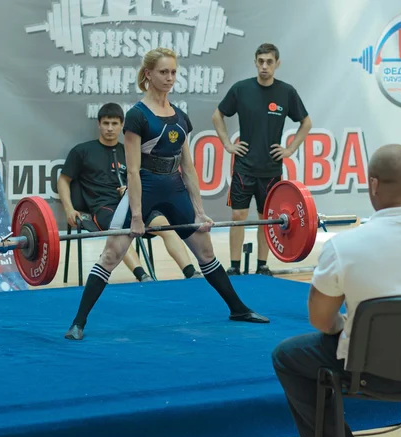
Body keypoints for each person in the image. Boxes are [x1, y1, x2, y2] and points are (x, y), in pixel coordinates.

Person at [271, 144, 401, 437]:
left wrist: (342, 325)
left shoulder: (345, 246)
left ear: (374, 185)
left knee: (286, 356)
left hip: (370, 373)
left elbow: (320, 320)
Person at [64, 48, 269, 340]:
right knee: (111, 254)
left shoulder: (180, 116)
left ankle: (238, 308)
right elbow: (133, 171)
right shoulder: (137, 116)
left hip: (174, 189)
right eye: (163, 72)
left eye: (173, 72)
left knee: (206, 251)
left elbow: (188, 166)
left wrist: (198, 211)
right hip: (143, 189)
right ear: (148, 74)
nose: (169, 78)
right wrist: (136, 217)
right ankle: (78, 323)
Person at [58, 102, 201, 283]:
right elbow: (63, 180)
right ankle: (143, 276)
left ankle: (191, 273)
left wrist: (129, 189)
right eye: (106, 123)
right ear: (99, 124)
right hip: (104, 208)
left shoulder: (129, 149)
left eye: (115, 124)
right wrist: (69, 209)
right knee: (122, 231)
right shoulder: (82, 151)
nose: (110, 128)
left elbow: (141, 177)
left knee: (166, 226)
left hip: (132, 203)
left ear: (122, 126)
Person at [212, 43, 312, 277]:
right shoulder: (241, 89)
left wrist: (289, 150)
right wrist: (228, 144)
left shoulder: (286, 92)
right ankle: (235, 265)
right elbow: (218, 115)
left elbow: (306, 122)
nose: (264, 66)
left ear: (278, 64)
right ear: (255, 62)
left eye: (269, 62)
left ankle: (262, 265)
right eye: (261, 61)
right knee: (238, 216)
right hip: (243, 167)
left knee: (267, 218)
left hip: (271, 168)